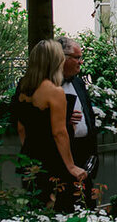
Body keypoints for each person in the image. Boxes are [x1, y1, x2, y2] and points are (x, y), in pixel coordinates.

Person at [14, 40, 89, 211]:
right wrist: (71, 166)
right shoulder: (55, 92)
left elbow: (21, 128)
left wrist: (30, 153)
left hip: (31, 160)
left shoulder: (25, 89)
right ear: (55, 61)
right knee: (60, 212)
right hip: (54, 161)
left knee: (36, 210)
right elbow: (59, 132)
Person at [58, 36, 98, 206]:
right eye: (77, 57)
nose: (81, 62)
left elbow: (89, 116)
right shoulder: (48, 86)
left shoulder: (78, 82)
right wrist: (64, 119)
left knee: (86, 204)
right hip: (61, 155)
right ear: (63, 58)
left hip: (84, 153)